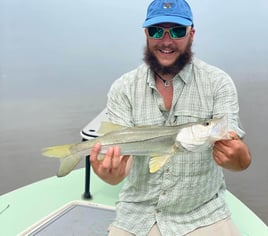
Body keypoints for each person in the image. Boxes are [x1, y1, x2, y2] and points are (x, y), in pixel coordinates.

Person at [90, 0, 251, 235]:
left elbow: (240, 159)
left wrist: (240, 157)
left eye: (177, 31)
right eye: (157, 31)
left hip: (203, 213)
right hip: (137, 214)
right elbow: (117, 174)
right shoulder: (122, 88)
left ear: (191, 34)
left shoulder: (218, 83)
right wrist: (110, 174)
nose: (166, 41)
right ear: (146, 34)